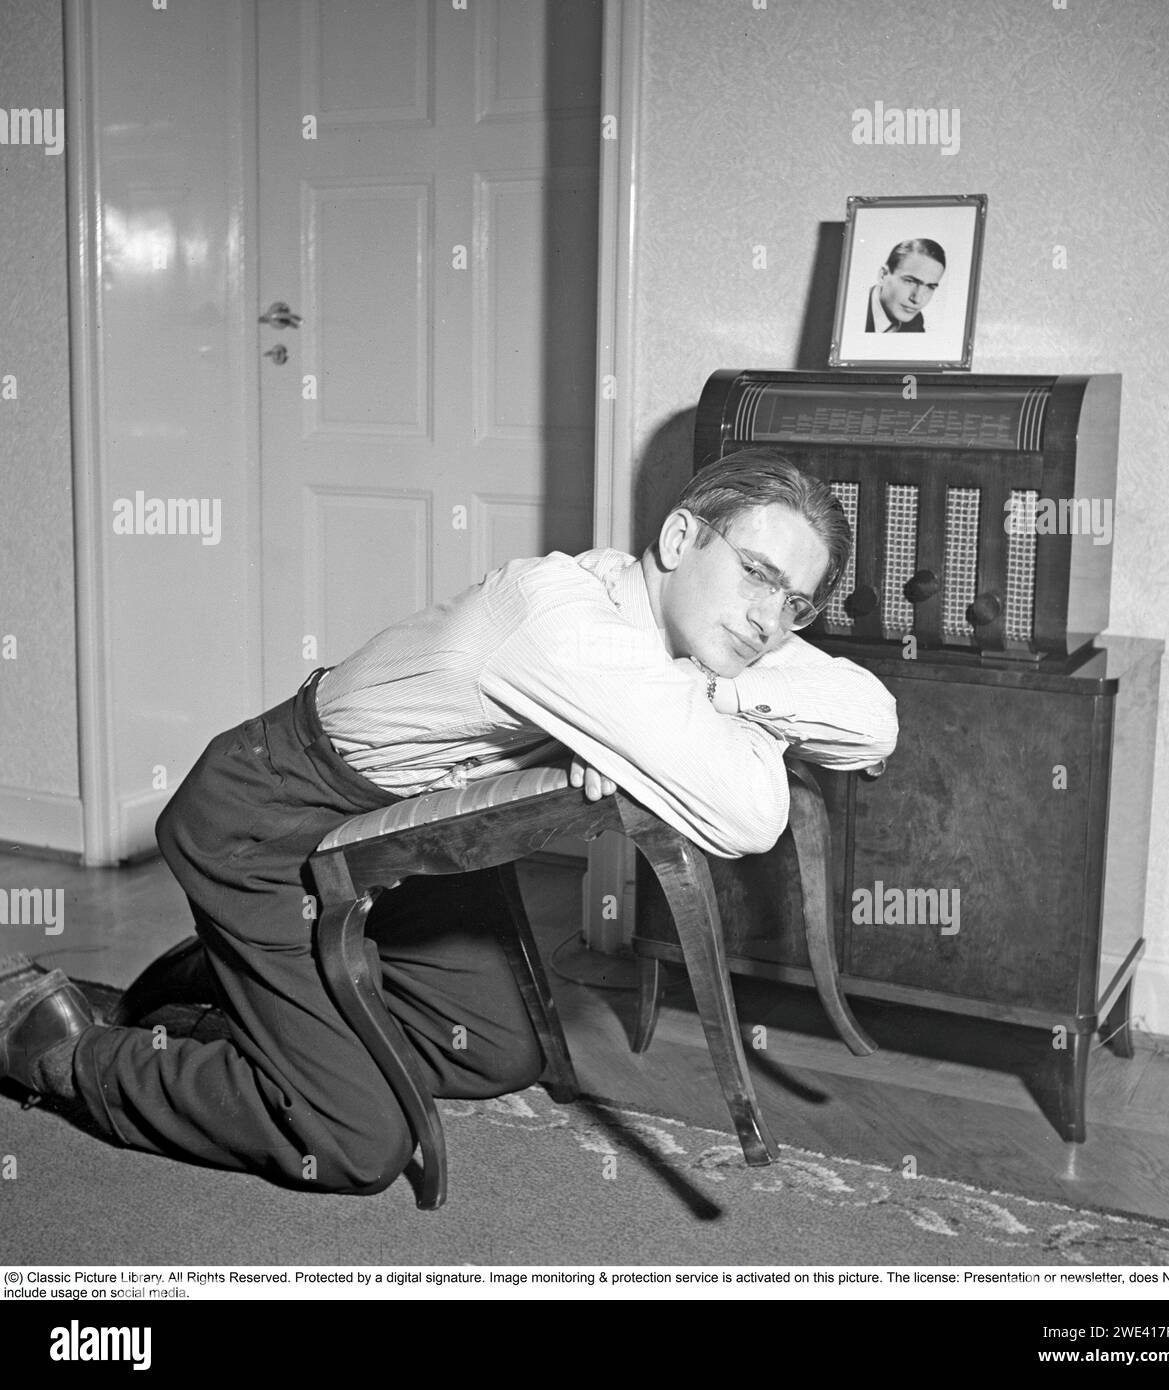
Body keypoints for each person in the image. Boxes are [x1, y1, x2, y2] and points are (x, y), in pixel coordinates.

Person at [0, 448, 897, 1195]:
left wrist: (706, 691)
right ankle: (52, 1048)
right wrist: (711, 716)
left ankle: (224, 996)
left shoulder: (674, 644)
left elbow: (871, 722)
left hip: (400, 836)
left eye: (797, 605)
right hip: (266, 822)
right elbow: (747, 815)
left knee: (498, 1051)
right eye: (756, 574)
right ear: (678, 537)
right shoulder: (564, 627)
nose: (769, 620)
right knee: (352, 1142)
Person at [865, 238, 946, 333]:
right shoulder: (855, 310)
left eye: (930, 287)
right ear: (883, 275)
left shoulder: (915, 323)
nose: (917, 299)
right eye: (909, 281)